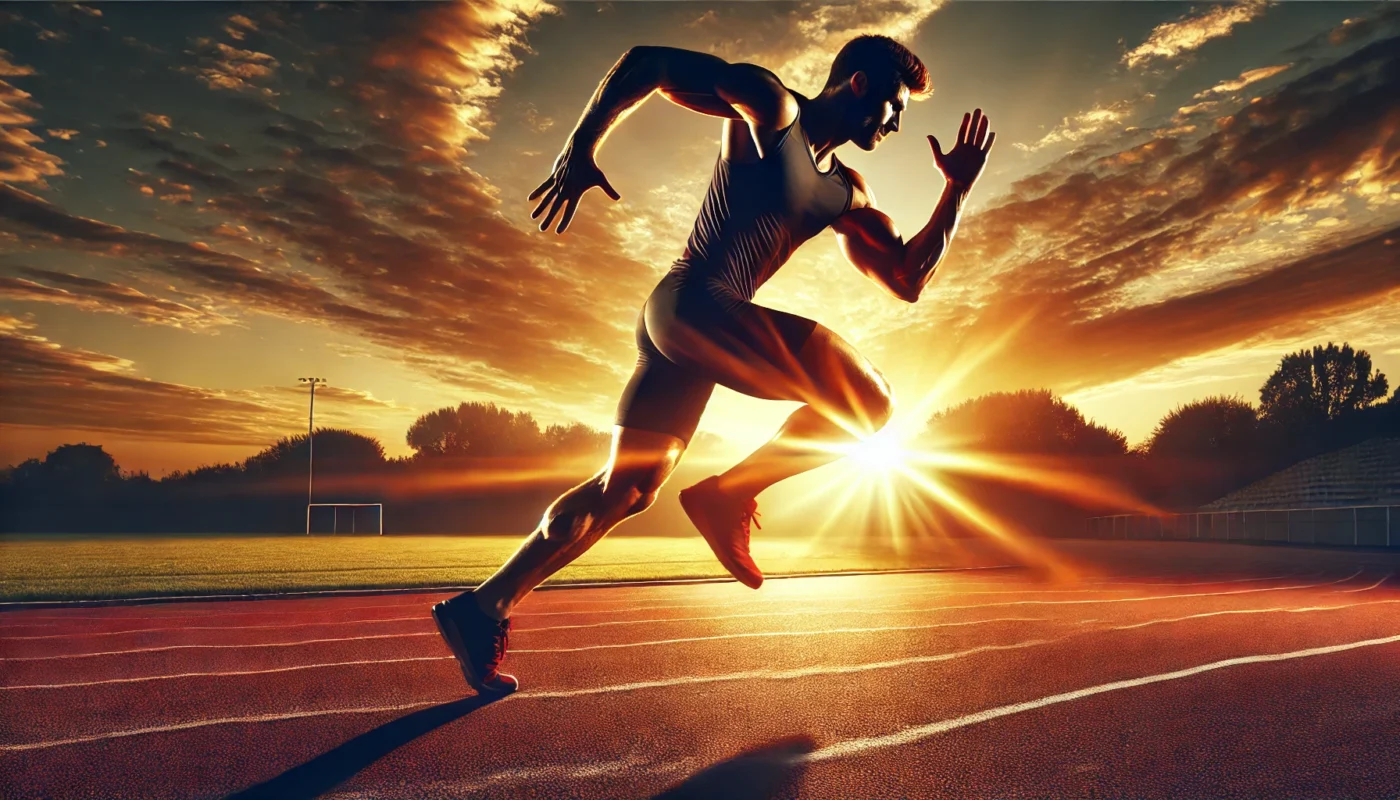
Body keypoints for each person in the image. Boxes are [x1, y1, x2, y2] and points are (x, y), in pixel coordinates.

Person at [432, 34, 995, 696]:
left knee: (627, 492)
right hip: (695, 302)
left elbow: (906, 278)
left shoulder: (847, 191)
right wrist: (581, 146)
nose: (898, 122)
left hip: (681, 328)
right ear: (860, 85)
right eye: (895, 105)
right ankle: (729, 495)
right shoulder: (771, 107)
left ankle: (482, 607)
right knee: (872, 404)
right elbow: (648, 63)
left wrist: (955, 191)